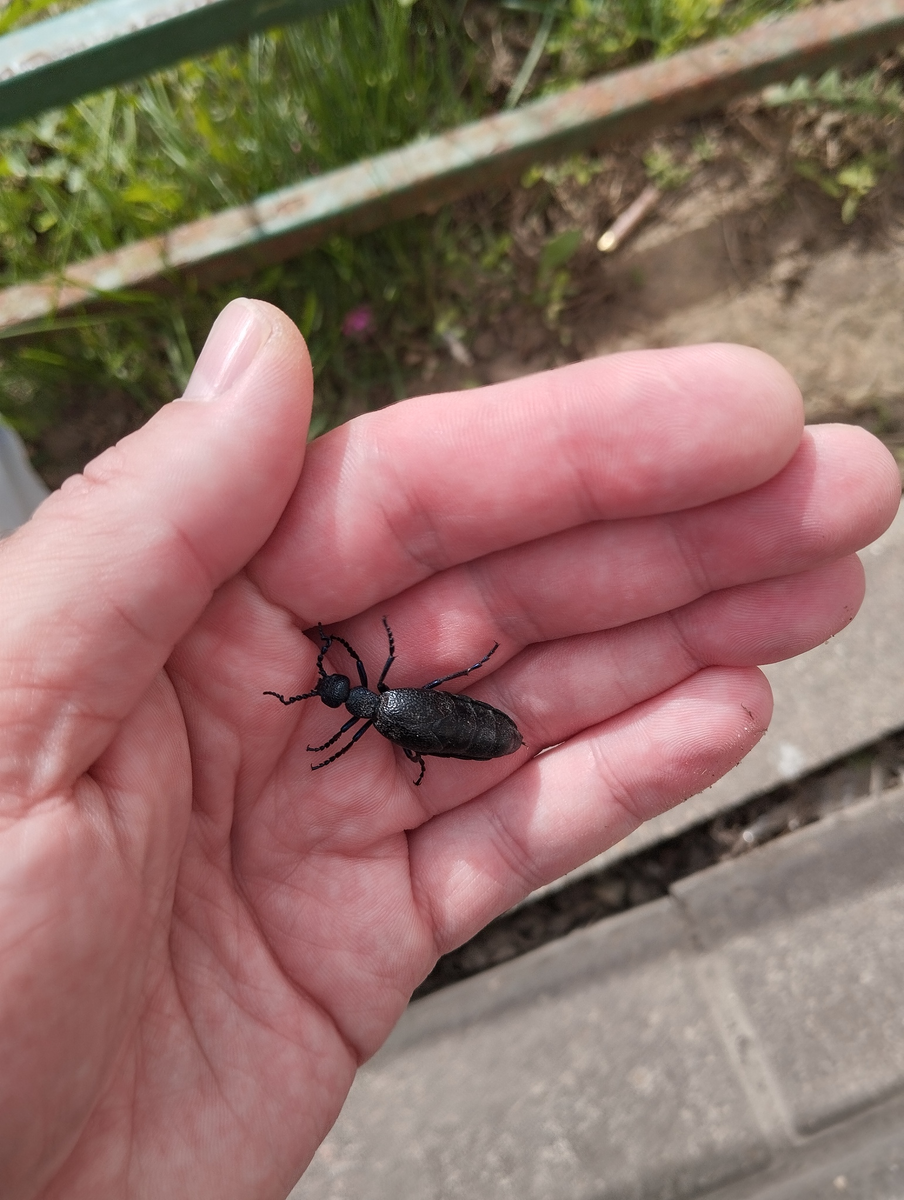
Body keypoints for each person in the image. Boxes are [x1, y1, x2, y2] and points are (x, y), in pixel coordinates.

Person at [0, 298, 898, 1199]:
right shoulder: (376, 700)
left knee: (454, 722)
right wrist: (370, 708)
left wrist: (356, 723)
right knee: (459, 719)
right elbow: (371, 675)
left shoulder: (372, 707)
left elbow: (368, 685)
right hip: (445, 721)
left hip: (442, 724)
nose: (330, 695)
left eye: (330, 692)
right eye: (331, 696)